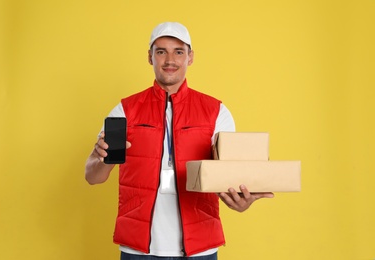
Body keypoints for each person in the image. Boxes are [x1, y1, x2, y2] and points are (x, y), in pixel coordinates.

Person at [85, 22, 274, 260]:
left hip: (200, 249)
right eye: (161, 51)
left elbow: (228, 177)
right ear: (150, 57)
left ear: (190, 57)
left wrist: (240, 201)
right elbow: (93, 177)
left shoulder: (216, 111)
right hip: (138, 250)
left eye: (179, 51)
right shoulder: (125, 110)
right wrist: (100, 158)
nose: (169, 60)